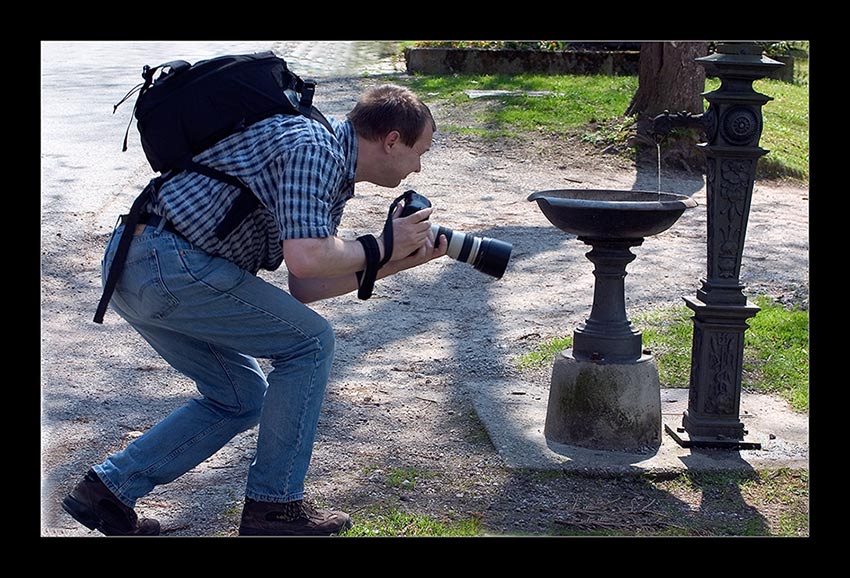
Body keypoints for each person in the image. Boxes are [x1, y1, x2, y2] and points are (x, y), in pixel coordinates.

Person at [62, 83, 446, 536]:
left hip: (140, 267)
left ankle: (107, 490)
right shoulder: (314, 147)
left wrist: (395, 259)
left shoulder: (331, 170)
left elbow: (306, 284)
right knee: (312, 342)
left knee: (240, 395)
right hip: (169, 262)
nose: (419, 166)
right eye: (421, 151)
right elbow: (307, 257)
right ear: (393, 140)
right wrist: (382, 244)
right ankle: (275, 508)